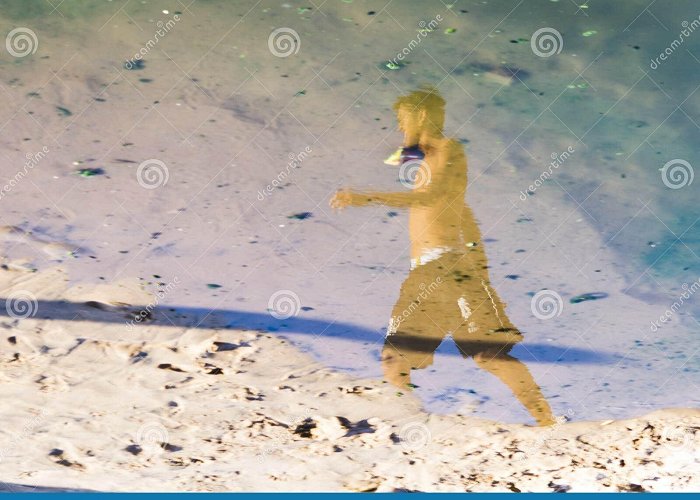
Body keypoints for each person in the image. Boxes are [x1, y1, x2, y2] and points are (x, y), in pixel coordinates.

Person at [330, 87, 555, 426]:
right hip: (454, 267)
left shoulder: (447, 150)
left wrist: (366, 198)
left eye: (402, 119)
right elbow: (460, 211)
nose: (400, 128)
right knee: (488, 354)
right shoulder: (428, 160)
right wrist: (480, 267)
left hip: (438, 266)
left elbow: (432, 197)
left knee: (396, 358)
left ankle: (407, 428)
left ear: (420, 116)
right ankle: (547, 422)